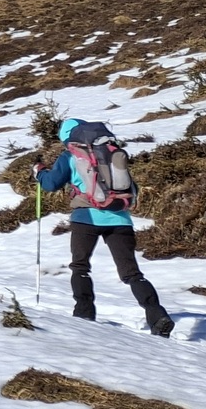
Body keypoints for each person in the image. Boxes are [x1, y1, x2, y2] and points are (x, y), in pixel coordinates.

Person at [38, 117, 171, 336]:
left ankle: (84, 314)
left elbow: (51, 183)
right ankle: (157, 316)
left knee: (80, 267)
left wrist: (39, 172)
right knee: (132, 273)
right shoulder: (110, 152)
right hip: (120, 220)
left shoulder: (70, 156)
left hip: (86, 218)